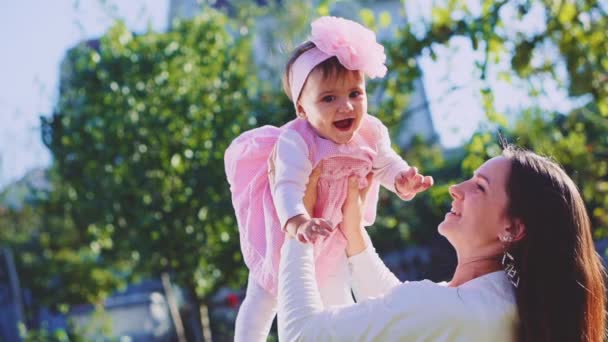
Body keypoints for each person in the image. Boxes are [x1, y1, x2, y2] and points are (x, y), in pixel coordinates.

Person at [224, 16, 433, 341]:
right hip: (288, 230)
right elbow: (287, 186)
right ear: (303, 110)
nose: (346, 106)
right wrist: (298, 221)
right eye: (329, 98)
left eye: (355, 93)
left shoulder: (370, 132)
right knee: (264, 298)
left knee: (335, 299)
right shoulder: (297, 140)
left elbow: (385, 163)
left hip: (333, 233)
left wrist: (401, 179)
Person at [278, 144, 607, 342]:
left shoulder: (459, 310)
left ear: (513, 228)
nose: (456, 188)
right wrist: (355, 235)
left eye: (479, 187)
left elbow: (302, 336)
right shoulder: (506, 306)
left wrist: (299, 225)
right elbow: (405, 316)